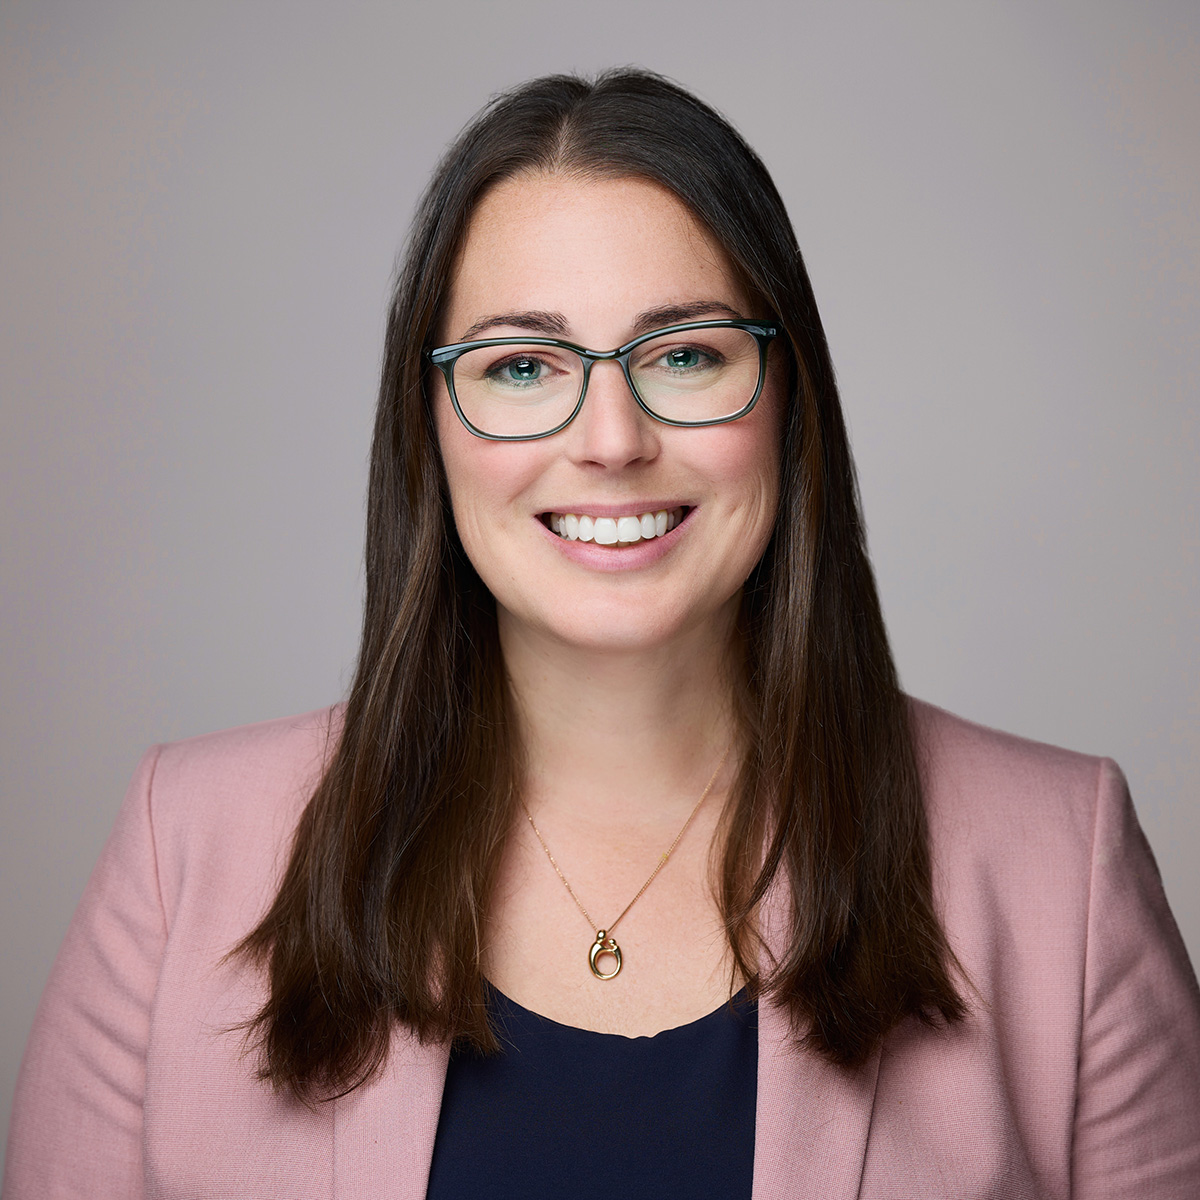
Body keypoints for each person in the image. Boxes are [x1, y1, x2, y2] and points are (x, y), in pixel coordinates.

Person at [5, 68, 1200, 1199]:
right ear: (429, 431)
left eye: (684, 353)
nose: (612, 438)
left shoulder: (1060, 867)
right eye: (523, 365)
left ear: (790, 404)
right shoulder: (186, 853)